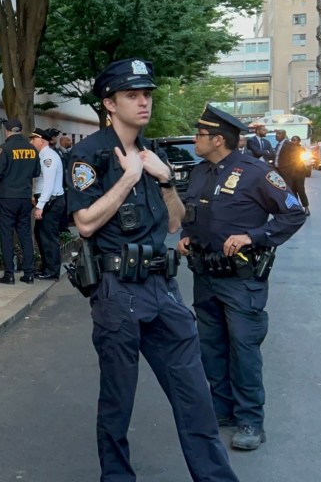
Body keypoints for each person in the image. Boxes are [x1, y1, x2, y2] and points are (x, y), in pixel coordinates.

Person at [68, 58, 238, 481]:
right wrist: (127, 178)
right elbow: (85, 222)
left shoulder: (154, 153)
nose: (143, 102)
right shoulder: (87, 155)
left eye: (147, 94)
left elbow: (176, 222)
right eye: (132, 95)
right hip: (117, 292)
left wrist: (164, 181)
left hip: (164, 288)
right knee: (118, 401)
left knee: (194, 395)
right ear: (109, 103)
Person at [179, 104, 305, 452]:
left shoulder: (255, 172)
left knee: (244, 349)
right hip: (205, 274)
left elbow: (292, 214)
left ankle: (251, 420)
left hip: (240, 279)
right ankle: (222, 410)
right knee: (211, 347)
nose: (195, 140)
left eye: (200, 135)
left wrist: (254, 235)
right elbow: (195, 214)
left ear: (218, 139)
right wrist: (188, 237)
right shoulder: (200, 171)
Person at [0, 118, 40, 285]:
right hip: (25, 196)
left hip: (7, 197)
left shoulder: (4, 148)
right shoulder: (32, 149)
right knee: (25, 235)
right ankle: (29, 273)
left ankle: (9, 274)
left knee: (7, 235)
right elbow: (36, 172)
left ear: (7, 131)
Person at [31, 128, 65, 280]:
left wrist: (40, 205)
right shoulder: (43, 155)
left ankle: (51, 271)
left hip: (51, 201)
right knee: (41, 235)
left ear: (41, 141)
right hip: (47, 200)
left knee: (48, 237)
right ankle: (47, 267)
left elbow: (49, 184)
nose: (31, 142)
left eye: (33, 139)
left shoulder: (48, 157)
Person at [277, 135, 310, 216]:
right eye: (292, 140)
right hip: (289, 172)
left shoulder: (301, 149)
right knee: (292, 190)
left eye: (295, 140)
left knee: (300, 189)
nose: (293, 141)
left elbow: (301, 159)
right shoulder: (286, 149)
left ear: (299, 141)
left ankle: (306, 208)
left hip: (299, 171)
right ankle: (297, 208)